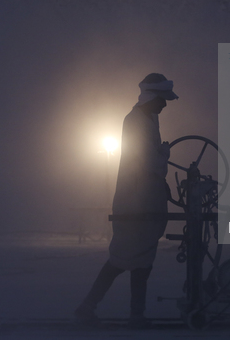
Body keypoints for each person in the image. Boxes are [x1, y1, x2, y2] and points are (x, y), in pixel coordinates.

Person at [75, 73, 178, 328]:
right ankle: (89, 309)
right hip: (135, 206)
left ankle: (135, 314)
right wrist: (164, 154)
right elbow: (149, 163)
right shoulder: (136, 122)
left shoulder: (148, 119)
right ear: (153, 98)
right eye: (162, 100)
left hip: (143, 203)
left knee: (139, 262)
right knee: (122, 260)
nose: (165, 105)